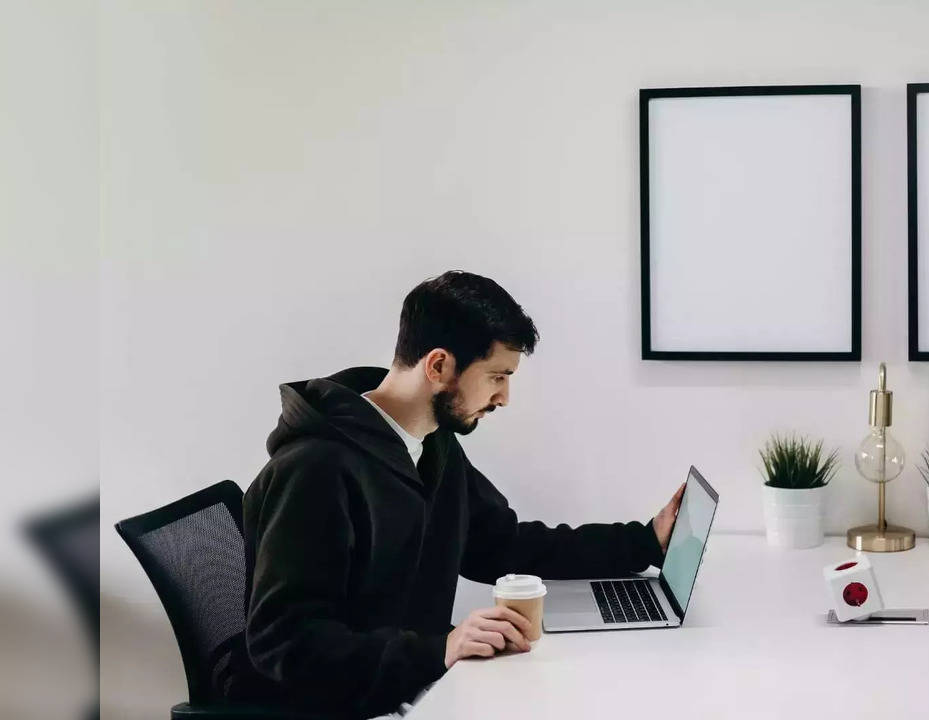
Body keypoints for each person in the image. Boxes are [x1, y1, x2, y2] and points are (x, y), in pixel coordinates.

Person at [224, 271, 684, 718]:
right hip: (343, 704)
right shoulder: (315, 469)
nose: (504, 397)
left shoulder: (431, 444)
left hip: (410, 686)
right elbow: (285, 642)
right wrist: (439, 649)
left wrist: (644, 542)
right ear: (440, 366)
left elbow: (500, 544)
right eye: (496, 376)